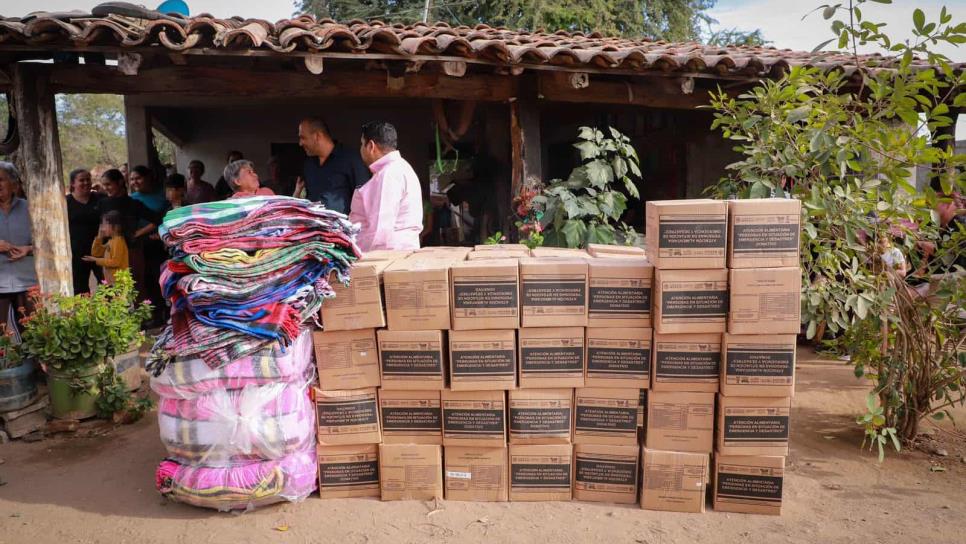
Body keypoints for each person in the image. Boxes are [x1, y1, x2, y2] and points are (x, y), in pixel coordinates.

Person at [349, 121, 423, 251]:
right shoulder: (400, 167)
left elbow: (380, 232)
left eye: (362, 144)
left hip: (387, 259)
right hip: (396, 256)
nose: (360, 149)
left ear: (371, 146)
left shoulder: (389, 174)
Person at [96, 169, 163, 310]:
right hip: (111, 251)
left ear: (120, 182)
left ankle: (143, 317)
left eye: (109, 184)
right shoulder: (102, 203)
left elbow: (157, 219)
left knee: (137, 284)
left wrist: (138, 233)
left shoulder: (133, 203)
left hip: (132, 250)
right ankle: (117, 319)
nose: (106, 188)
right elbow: (100, 226)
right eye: (104, 185)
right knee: (112, 287)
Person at [296, 117, 370, 212]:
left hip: (342, 225)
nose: (300, 143)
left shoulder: (351, 160)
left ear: (317, 136)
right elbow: (305, 196)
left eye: (303, 138)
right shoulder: (308, 165)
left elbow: (365, 198)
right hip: (312, 225)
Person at [0, 162, 36, 335]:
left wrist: (28, 249)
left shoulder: (31, 208)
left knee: (34, 335)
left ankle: (36, 364)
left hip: (28, 282)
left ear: (14, 184)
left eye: (0, 180)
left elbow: (48, 243)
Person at [66, 168, 104, 294]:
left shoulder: (100, 198)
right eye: (81, 180)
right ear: (73, 183)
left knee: (108, 285)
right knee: (80, 289)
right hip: (77, 253)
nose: (86, 183)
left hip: (101, 251)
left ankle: (108, 313)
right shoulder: (65, 202)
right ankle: (85, 314)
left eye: (88, 179)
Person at [83, 211, 129, 285]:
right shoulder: (111, 241)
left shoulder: (118, 241)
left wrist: (95, 260)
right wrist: (99, 237)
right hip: (112, 281)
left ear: (116, 226)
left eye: (105, 225)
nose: (103, 228)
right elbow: (96, 253)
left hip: (119, 283)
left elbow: (115, 262)